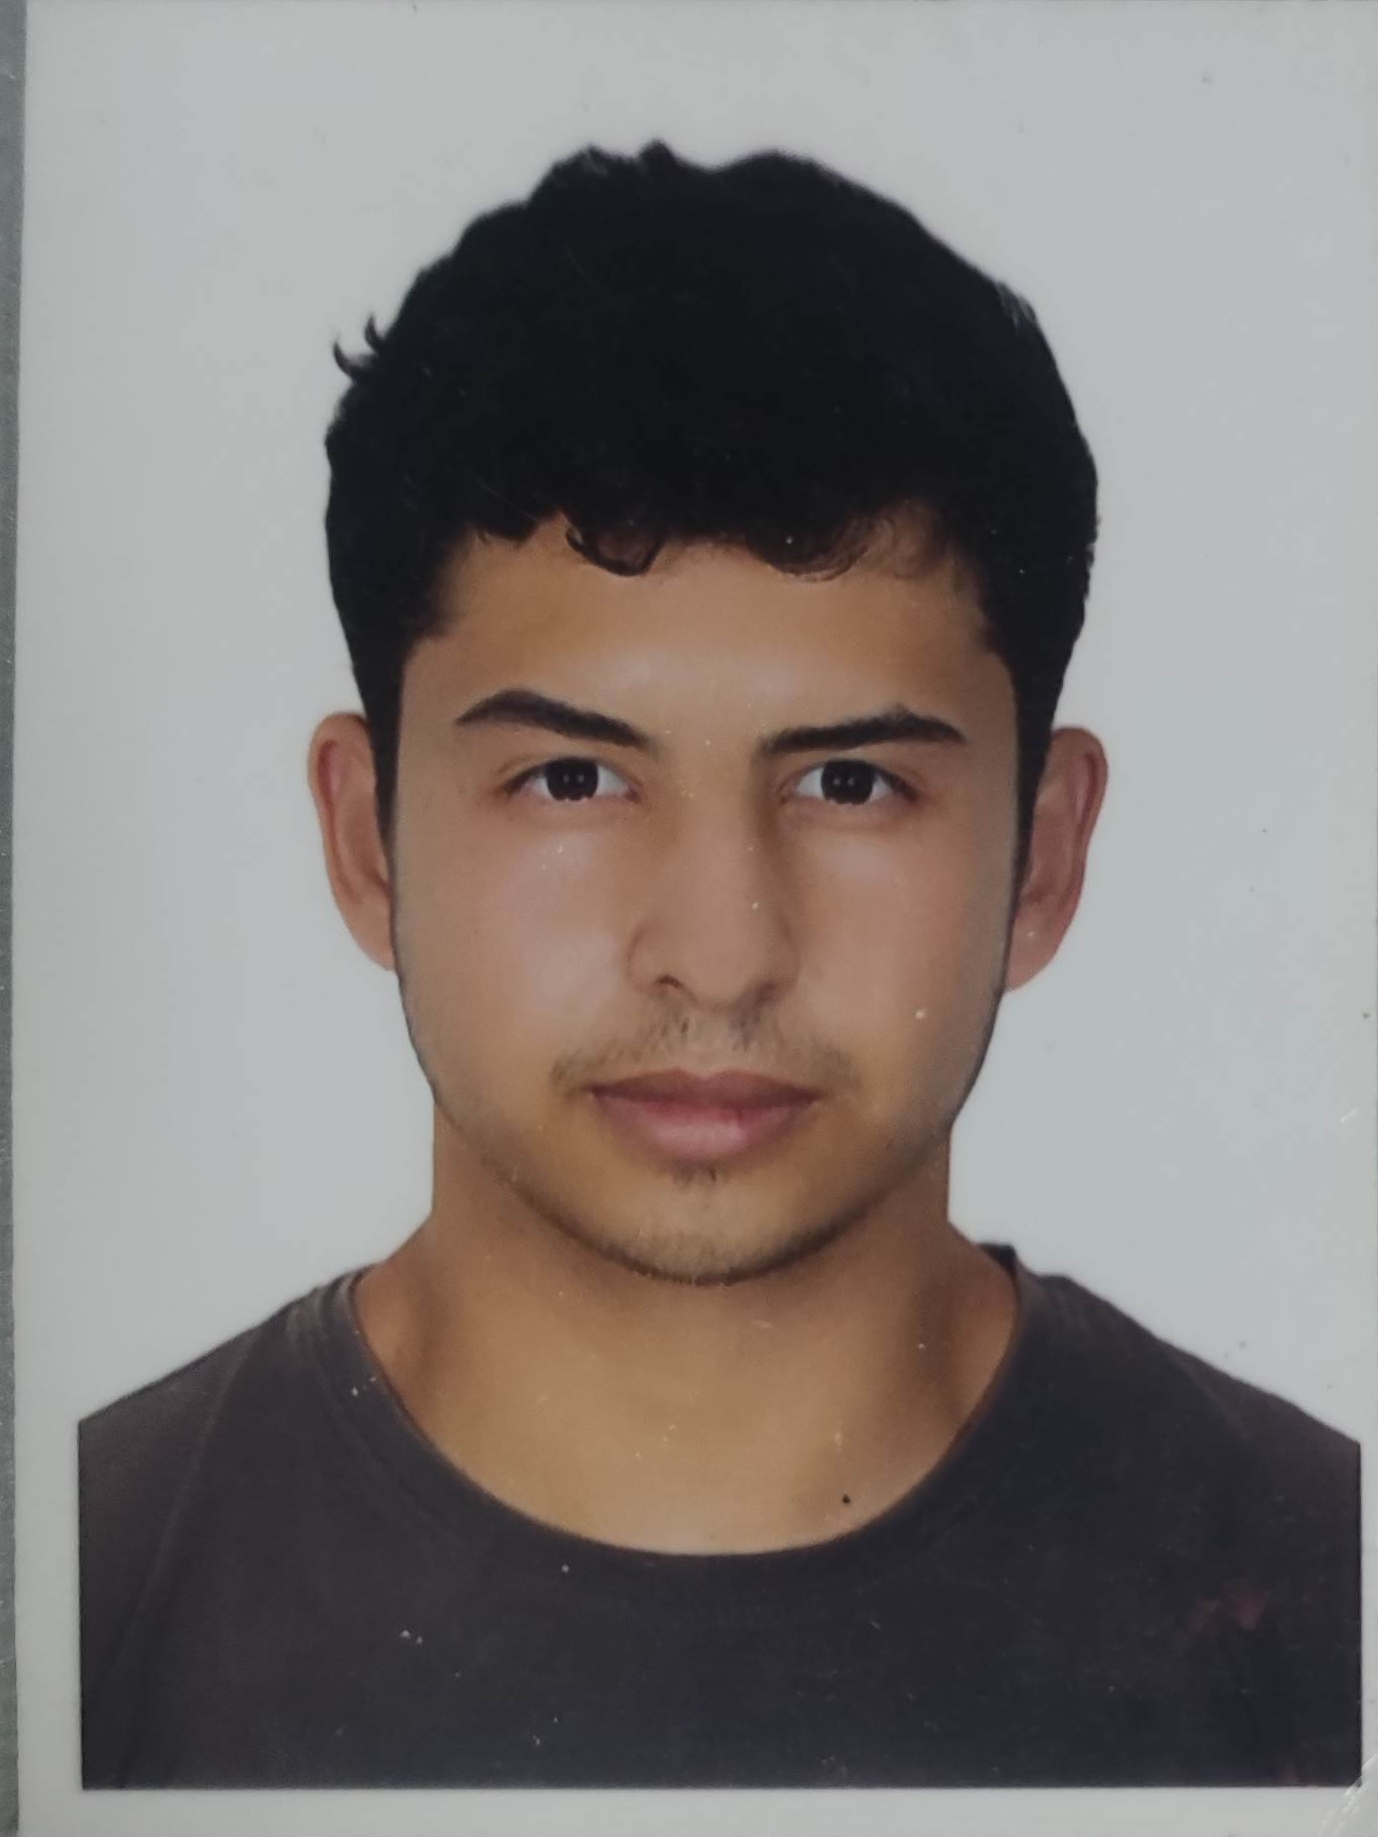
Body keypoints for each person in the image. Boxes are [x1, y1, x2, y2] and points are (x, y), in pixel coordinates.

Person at [79, 142, 1360, 1790]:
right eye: (572, 777)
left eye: (849, 782)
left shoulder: (1327, 1609)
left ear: (1040, 857)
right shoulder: (73, 1598)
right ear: (366, 836)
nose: (718, 953)